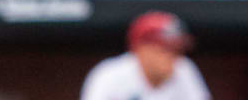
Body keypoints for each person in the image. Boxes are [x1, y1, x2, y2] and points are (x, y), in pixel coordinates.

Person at [81, 12, 210, 100]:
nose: (173, 58)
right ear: (140, 49)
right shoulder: (109, 75)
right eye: (165, 50)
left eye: (176, 50)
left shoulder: (184, 70)